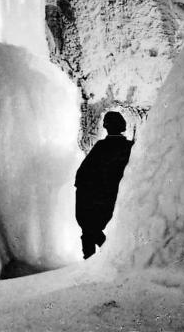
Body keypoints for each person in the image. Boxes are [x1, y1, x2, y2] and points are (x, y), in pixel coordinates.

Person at [75, 111, 134, 259]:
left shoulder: (102, 146)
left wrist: (82, 188)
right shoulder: (130, 147)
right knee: (91, 230)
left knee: (89, 229)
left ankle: (108, 256)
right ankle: (110, 256)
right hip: (113, 195)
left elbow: (83, 172)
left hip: (95, 196)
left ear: (107, 126)